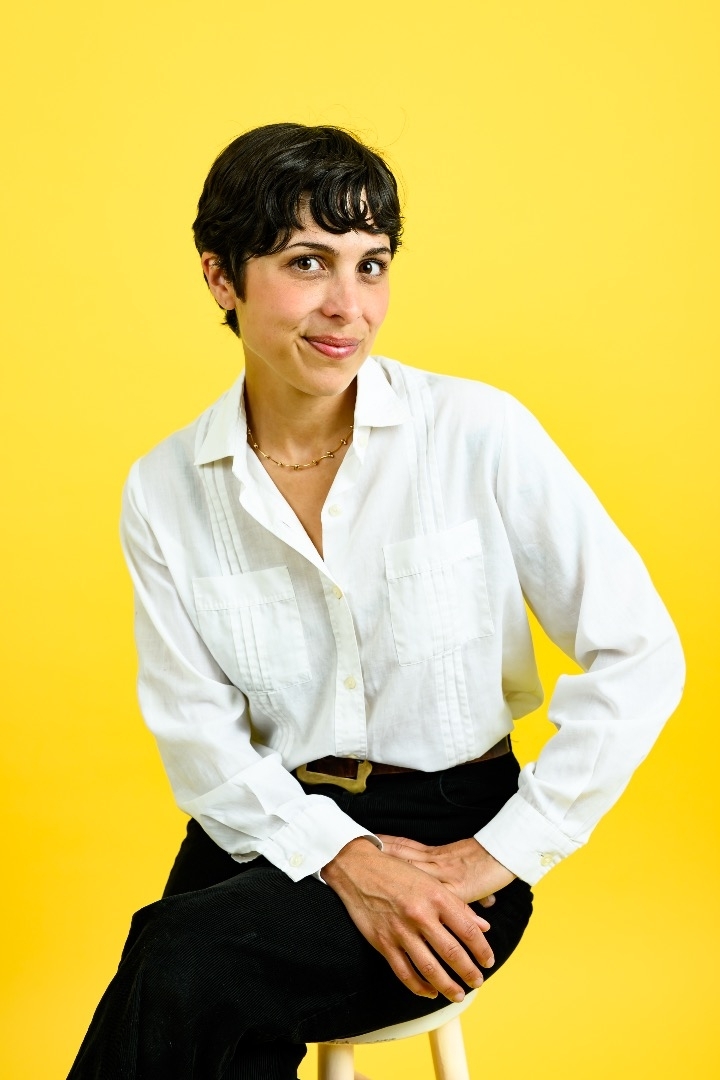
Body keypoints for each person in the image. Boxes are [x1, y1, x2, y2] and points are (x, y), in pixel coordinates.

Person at [68, 123, 684, 1080]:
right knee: (186, 969)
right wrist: (344, 859)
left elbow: (640, 652)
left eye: (372, 265)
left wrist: (504, 849)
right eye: (306, 262)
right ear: (222, 278)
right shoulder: (164, 488)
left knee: (182, 964)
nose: (347, 307)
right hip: (267, 821)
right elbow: (198, 734)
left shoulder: (477, 432)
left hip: (450, 828)